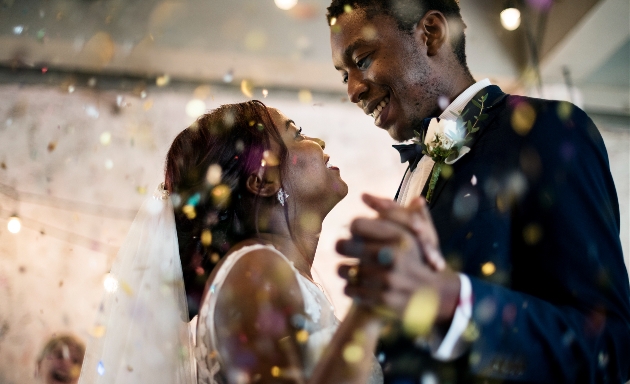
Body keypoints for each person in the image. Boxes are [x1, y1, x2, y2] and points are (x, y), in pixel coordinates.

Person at [327, 0, 630, 383]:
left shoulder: (546, 131)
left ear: (431, 34)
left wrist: (454, 301)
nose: (353, 89)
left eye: (363, 59)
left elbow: (610, 346)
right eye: (344, 76)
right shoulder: (416, 170)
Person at [79, 100, 384, 384]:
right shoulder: (254, 274)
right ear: (263, 181)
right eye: (297, 134)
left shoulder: (266, 273)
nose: (319, 143)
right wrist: (370, 307)